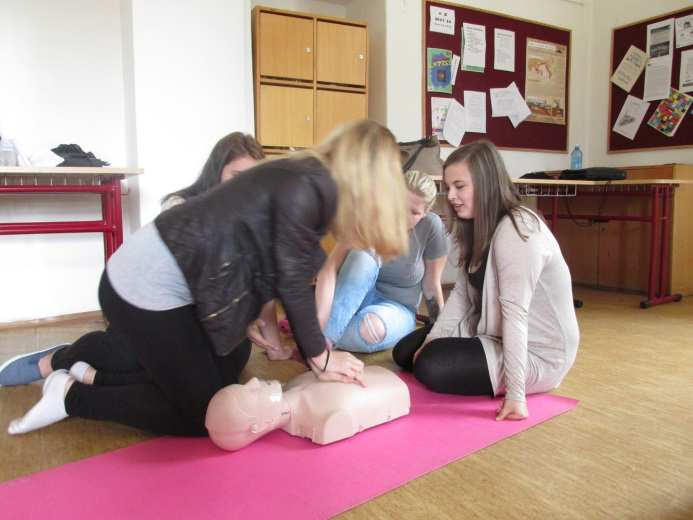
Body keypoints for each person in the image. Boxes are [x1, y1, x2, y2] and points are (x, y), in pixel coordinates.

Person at [5, 119, 411, 437]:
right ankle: (72, 397)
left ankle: (85, 374)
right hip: (143, 288)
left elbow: (278, 271)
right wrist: (321, 357)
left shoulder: (310, 182)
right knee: (205, 416)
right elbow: (290, 281)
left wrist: (296, 343)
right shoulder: (307, 185)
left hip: (165, 285)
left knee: (222, 378)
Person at [392, 140, 579, 421]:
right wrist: (431, 340)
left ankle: (510, 382)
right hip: (491, 333)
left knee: (431, 366)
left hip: (537, 352)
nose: (451, 196)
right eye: (448, 187)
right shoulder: (476, 226)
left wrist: (516, 395)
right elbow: (462, 298)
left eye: (460, 186)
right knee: (406, 352)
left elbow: (516, 316)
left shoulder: (518, 230)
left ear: (486, 183)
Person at [313, 170, 448, 354]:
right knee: (362, 258)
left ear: (425, 213)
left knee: (371, 329)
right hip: (351, 298)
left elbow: (432, 284)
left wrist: (438, 334)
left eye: (414, 212)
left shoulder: (431, 227)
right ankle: (323, 342)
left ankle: (316, 334)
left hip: (396, 308)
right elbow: (329, 269)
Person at [206, 365, 410, 451]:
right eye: (250, 392)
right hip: (391, 389)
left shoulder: (295, 383)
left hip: (383, 380)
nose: (252, 381)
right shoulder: (323, 420)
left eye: (245, 385)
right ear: (256, 427)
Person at [161, 131, 264, 210]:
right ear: (217, 171)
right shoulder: (178, 205)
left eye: (252, 178)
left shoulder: (251, 208)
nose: (245, 186)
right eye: (237, 176)